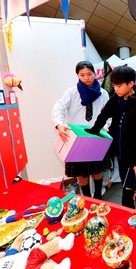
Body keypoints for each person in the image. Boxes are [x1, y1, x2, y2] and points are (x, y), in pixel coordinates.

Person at [85, 65, 136, 208]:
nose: (116, 89)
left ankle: (132, 218)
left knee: (129, 193)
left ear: (131, 83)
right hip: (120, 154)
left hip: (132, 158)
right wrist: (94, 130)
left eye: (119, 86)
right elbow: (104, 113)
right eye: (114, 85)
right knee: (125, 188)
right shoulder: (118, 97)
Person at [52, 61, 109, 199]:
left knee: (97, 168)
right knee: (81, 171)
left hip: (96, 136)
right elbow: (59, 108)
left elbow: (109, 113)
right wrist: (59, 124)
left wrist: (106, 126)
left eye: (89, 74)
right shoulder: (72, 92)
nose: (86, 78)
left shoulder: (103, 93)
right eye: (82, 75)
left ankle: (98, 195)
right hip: (77, 138)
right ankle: (87, 196)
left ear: (95, 74)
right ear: (77, 75)